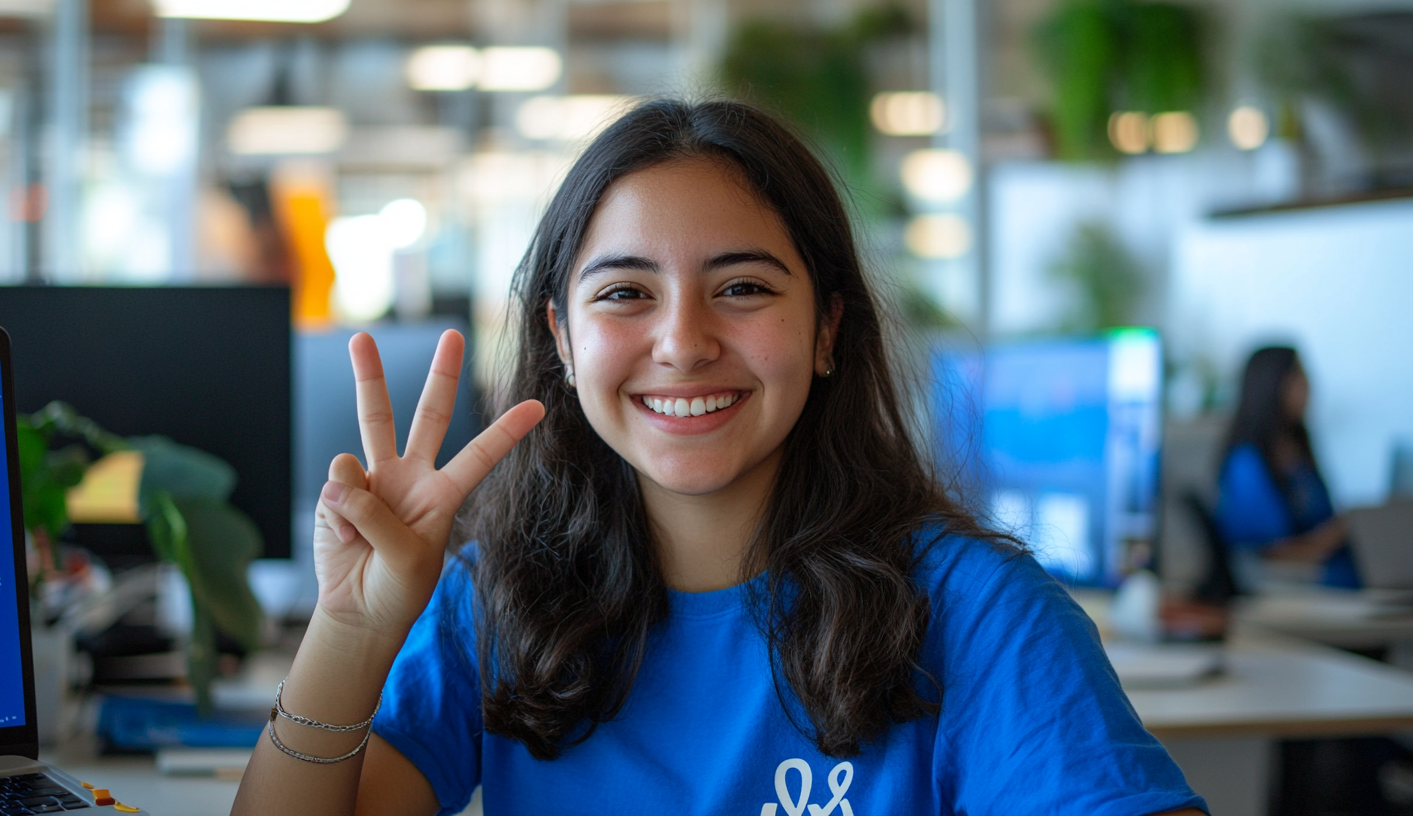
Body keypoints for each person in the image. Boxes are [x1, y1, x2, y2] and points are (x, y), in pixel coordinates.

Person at [232, 99, 1205, 816]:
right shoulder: (493, 602)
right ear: (562, 341)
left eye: (741, 288)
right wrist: (354, 629)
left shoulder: (975, 610)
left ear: (826, 330)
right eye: (624, 294)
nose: (684, 341)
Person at [1215, 346, 1357, 589]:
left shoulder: (1299, 449)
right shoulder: (1247, 464)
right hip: (1295, 584)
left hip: (1333, 573)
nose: (1309, 388)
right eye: (1299, 378)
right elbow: (1266, 553)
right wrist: (1337, 533)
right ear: (1271, 386)